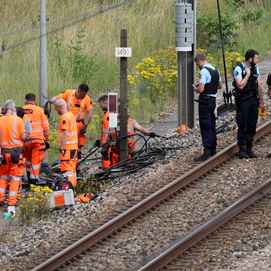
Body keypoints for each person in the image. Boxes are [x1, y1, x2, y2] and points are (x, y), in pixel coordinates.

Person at [233, 49, 265, 159]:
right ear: (250, 59)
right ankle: (242, 149)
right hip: (243, 101)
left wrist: (261, 102)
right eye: (256, 58)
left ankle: (249, 147)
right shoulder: (239, 69)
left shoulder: (256, 69)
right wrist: (247, 75)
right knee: (242, 124)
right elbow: (240, 85)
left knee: (252, 124)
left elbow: (259, 86)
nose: (257, 60)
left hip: (253, 100)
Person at [50, 84, 92, 166]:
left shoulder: (87, 99)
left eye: (86, 94)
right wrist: (50, 101)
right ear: (78, 91)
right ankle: (67, 160)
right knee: (67, 143)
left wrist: (86, 125)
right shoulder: (69, 93)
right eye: (83, 94)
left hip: (79, 124)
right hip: (69, 122)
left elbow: (89, 113)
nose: (84, 96)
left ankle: (77, 164)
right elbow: (58, 97)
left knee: (79, 145)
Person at [193, 54, 222, 162]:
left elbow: (201, 90)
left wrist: (195, 88)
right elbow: (219, 85)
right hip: (213, 101)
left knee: (205, 125)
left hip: (204, 102)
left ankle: (207, 151)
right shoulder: (215, 70)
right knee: (211, 124)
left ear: (199, 61)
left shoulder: (204, 71)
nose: (198, 66)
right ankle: (213, 148)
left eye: (197, 64)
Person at [0, 100, 26, 207]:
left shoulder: (0, 120)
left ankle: (0, 197)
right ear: (12, 109)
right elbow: (23, 136)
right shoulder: (18, 120)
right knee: (15, 178)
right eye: (14, 107)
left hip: (4, 153)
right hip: (16, 153)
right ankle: (11, 202)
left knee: (3, 177)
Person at [23, 93, 50, 186]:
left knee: (27, 159)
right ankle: (33, 182)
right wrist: (47, 140)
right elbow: (46, 128)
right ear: (35, 101)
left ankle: (26, 175)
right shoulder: (40, 110)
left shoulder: (21, 110)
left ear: (26, 101)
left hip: (25, 141)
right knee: (36, 161)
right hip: (38, 140)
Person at [54, 99, 78, 188]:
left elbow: (65, 133)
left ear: (60, 106)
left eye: (56, 108)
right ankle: (73, 188)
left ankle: (68, 189)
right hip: (73, 147)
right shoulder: (71, 115)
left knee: (67, 170)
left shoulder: (64, 117)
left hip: (67, 148)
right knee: (72, 170)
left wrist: (62, 148)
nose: (56, 110)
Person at [97, 95, 110, 169]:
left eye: (101, 105)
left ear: (107, 103)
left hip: (108, 146)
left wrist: (106, 145)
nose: (100, 107)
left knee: (107, 165)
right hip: (106, 144)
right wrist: (100, 140)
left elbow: (110, 131)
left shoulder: (109, 115)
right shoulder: (106, 114)